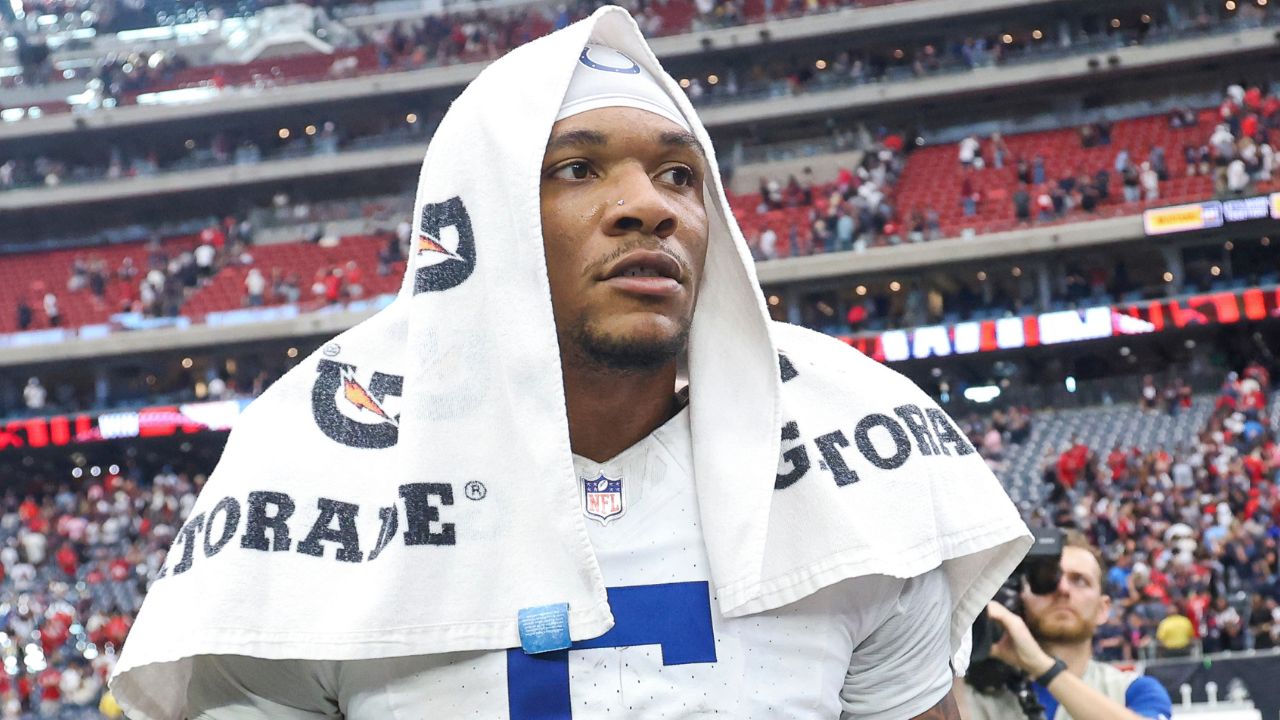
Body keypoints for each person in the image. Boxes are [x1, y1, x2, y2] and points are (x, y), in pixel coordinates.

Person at [112, 9, 1030, 719]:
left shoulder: (854, 456)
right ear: (479, 219)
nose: (649, 207)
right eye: (578, 169)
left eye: (678, 175)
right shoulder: (311, 459)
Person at [960, 532, 1173, 719]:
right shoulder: (973, 691)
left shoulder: (1134, 690)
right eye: (1045, 579)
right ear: (1020, 598)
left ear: (1103, 609)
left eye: (1079, 580)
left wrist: (1042, 666)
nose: (1062, 589)